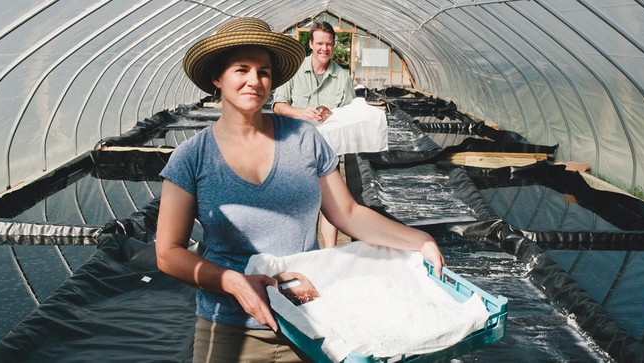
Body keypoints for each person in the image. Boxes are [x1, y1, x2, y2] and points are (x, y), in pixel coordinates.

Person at [155, 17, 445, 363]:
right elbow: (168, 252)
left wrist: (419, 240)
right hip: (232, 326)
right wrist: (232, 282)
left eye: (263, 72)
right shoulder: (193, 157)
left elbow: (348, 213)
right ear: (217, 79)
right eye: (241, 70)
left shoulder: (304, 139)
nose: (254, 81)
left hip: (307, 321)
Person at [272, 21, 356, 248]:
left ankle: (329, 253)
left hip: (329, 151)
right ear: (310, 44)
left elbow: (350, 113)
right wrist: (300, 112)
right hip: (294, 150)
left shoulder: (342, 77)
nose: (324, 49)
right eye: (319, 43)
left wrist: (334, 115)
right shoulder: (295, 70)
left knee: (332, 205)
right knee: (300, 204)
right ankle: (297, 251)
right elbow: (278, 105)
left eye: (329, 44)